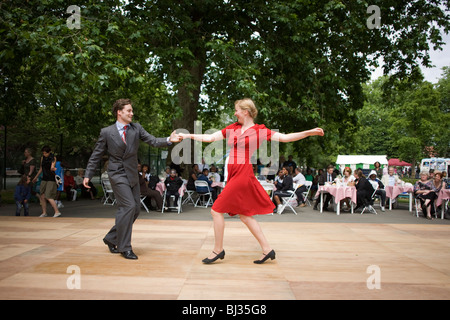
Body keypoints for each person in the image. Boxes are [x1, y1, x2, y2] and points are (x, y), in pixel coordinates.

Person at [179, 98, 324, 264]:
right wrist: (188, 135)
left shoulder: (259, 130)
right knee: (245, 215)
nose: (235, 113)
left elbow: (285, 137)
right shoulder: (233, 128)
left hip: (243, 173)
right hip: (233, 173)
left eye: (237, 110)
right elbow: (211, 137)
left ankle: (218, 250)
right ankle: (267, 249)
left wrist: (309, 132)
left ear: (246, 112)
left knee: (216, 210)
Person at [83, 99, 181, 260]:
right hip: (117, 174)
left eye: (132, 110)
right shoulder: (107, 132)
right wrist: (88, 174)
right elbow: (96, 155)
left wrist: (169, 140)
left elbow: (153, 141)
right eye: (128, 111)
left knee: (135, 209)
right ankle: (124, 247)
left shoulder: (136, 128)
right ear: (119, 112)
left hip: (132, 175)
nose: (132, 113)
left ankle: (111, 237)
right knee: (128, 206)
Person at [32, 146, 62, 218]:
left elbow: (52, 166)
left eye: (46, 153)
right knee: (42, 195)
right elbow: (41, 168)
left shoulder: (53, 158)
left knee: (48, 195)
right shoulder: (42, 158)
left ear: (49, 152)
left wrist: (53, 168)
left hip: (51, 178)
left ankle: (57, 211)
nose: (44, 154)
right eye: (43, 153)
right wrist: (35, 177)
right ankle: (44, 212)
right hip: (44, 178)